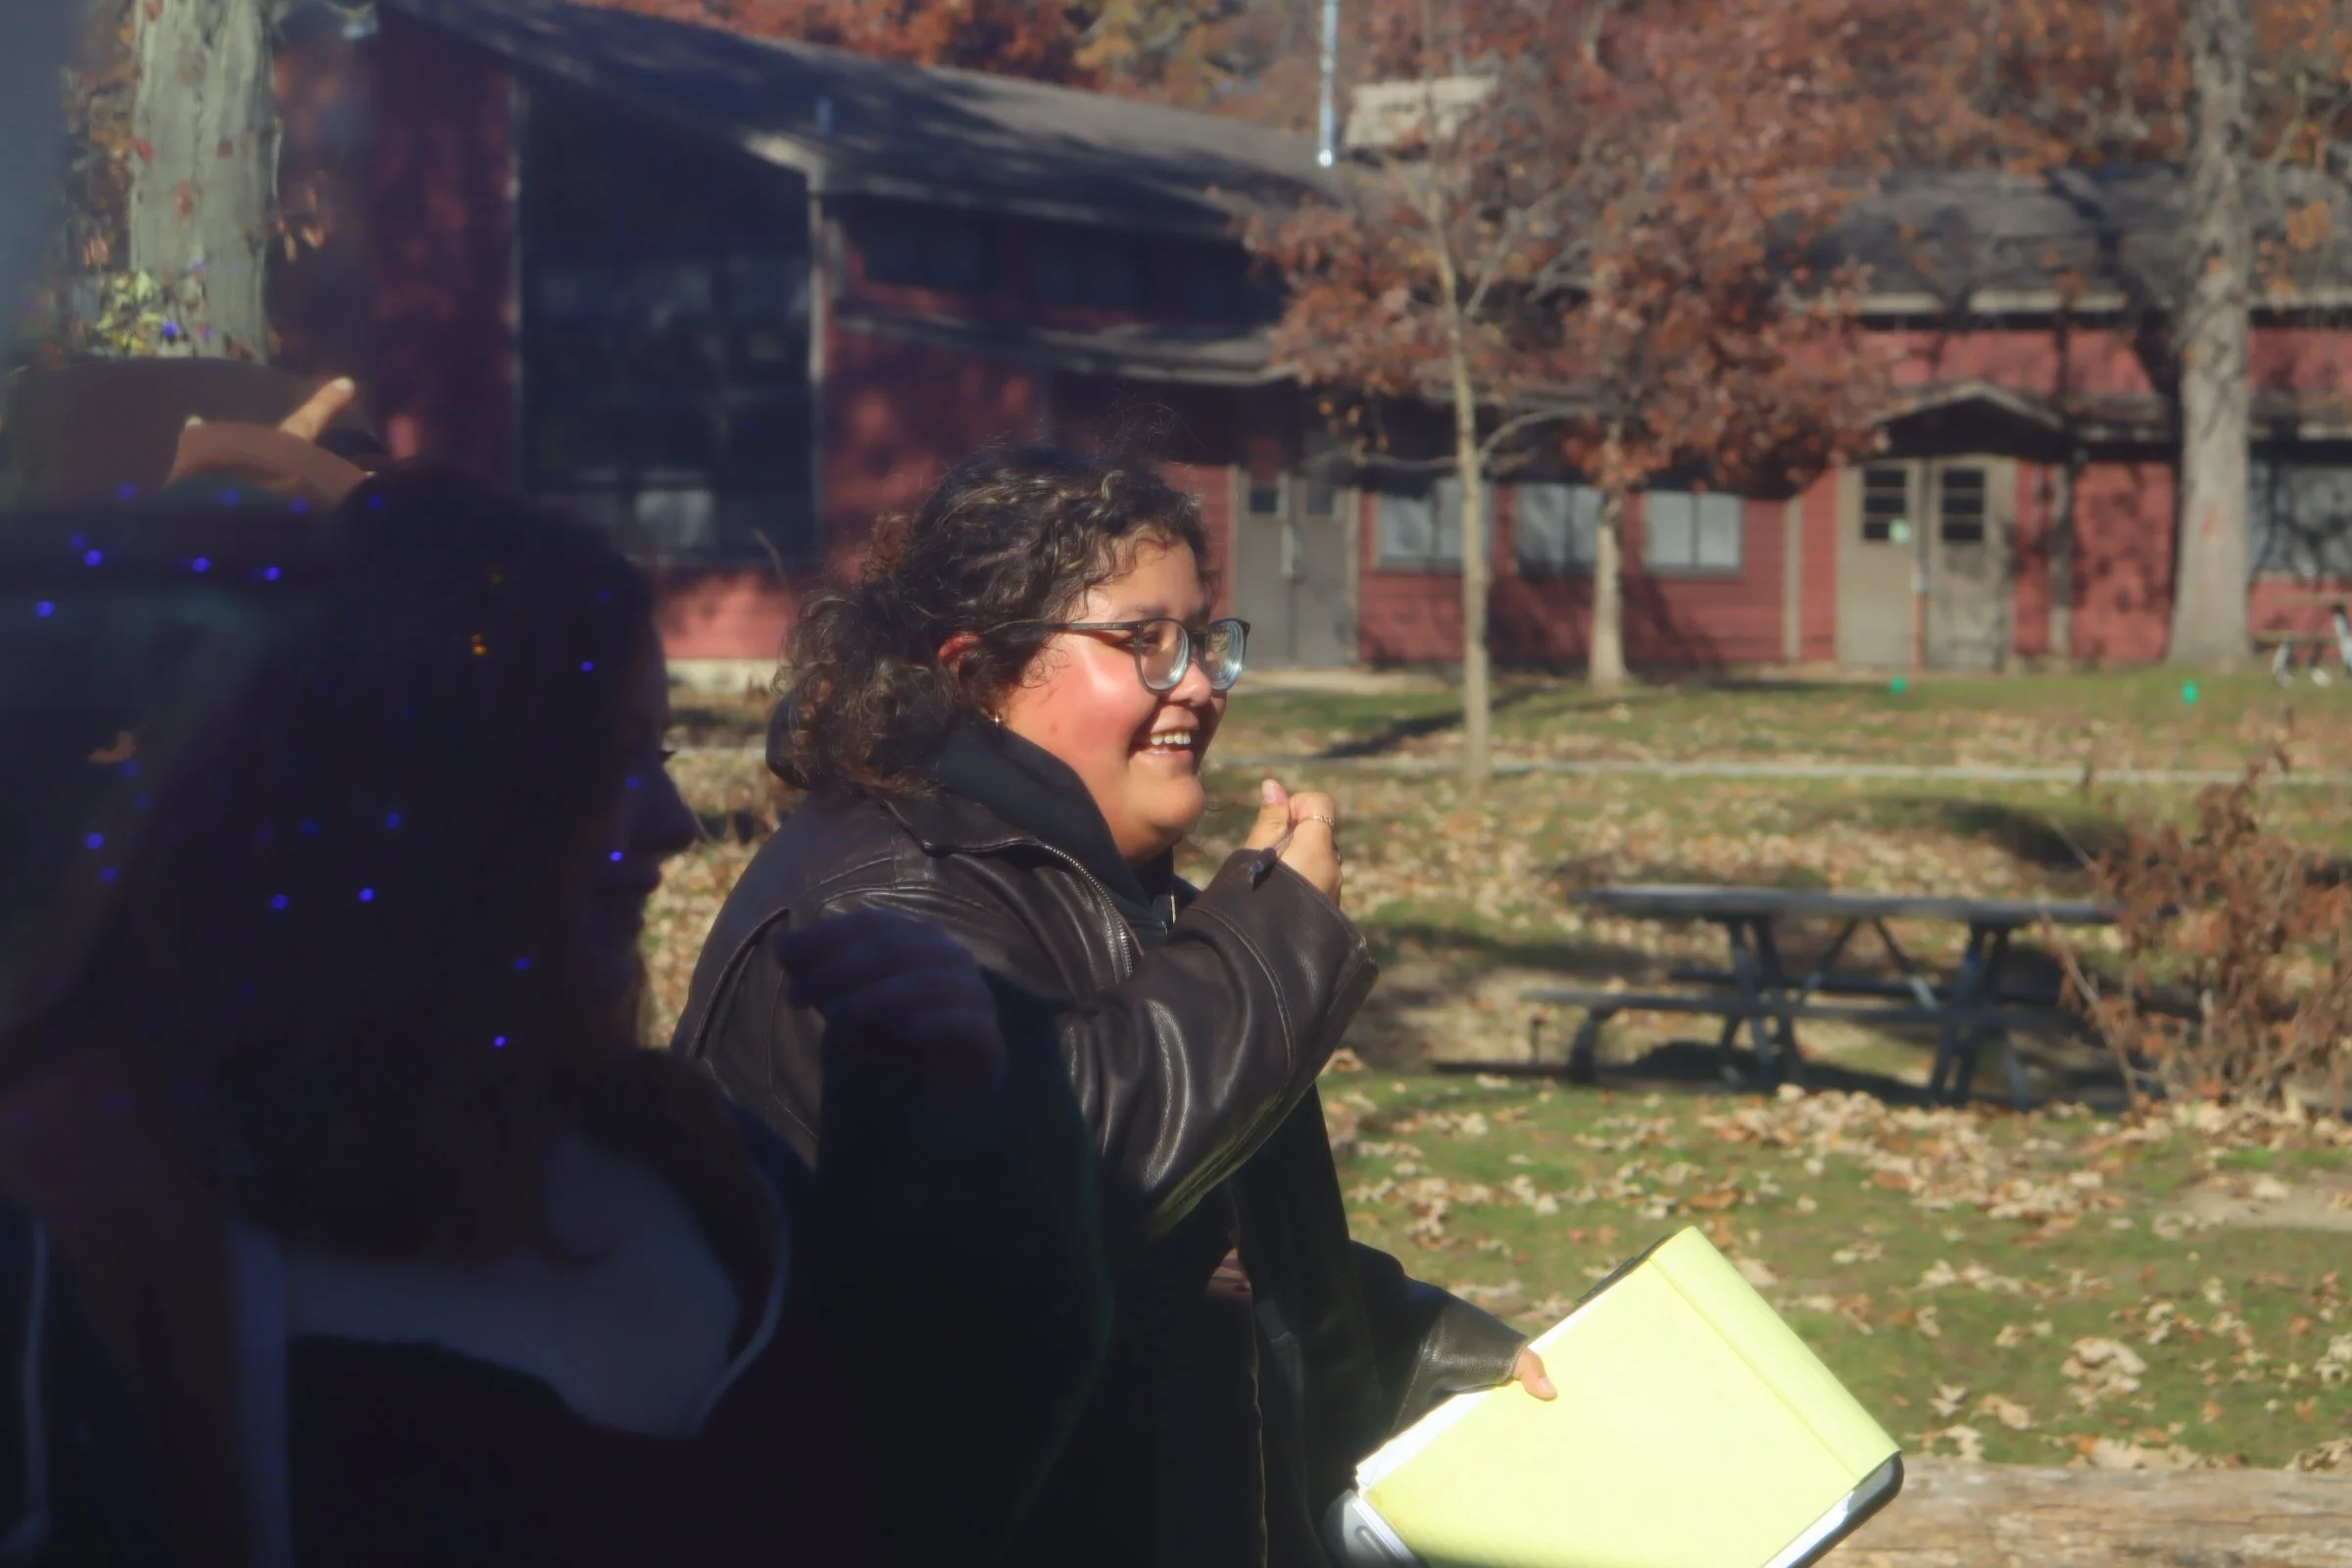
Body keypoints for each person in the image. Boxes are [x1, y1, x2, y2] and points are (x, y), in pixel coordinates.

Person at [0, 461, 1109, 1568]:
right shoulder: (88, 1227)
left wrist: (968, 1137)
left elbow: (918, 1507)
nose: (676, 823)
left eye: (662, 754)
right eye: (605, 759)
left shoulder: (692, 1161)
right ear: (422, 795)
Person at [674, 443, 1552, 1568]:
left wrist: (1436, 1354)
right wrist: (1274, 939)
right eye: (1143, 643)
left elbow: (1219, 1267)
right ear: (981, 670)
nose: (1196, 682)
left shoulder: (1105, 885)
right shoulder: (878, 895)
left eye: (1203, 640)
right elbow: (1072, 1163)